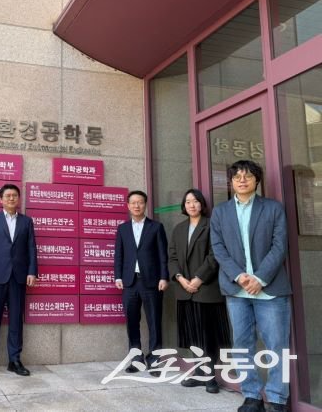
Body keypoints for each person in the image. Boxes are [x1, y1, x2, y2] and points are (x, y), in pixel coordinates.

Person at [210, 160, 291, 412]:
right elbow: (218, 248)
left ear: (257, 180)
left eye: (247, 176)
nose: (242, 180)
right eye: (237, 177)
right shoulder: (220, 212)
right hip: (237, 289)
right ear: (231, 182)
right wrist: (239, 276)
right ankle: (252, 395)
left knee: (277, 345)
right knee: (242, 344)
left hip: (270, 288)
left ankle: (277, 398)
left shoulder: (273, 208)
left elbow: (279, 246)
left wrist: (260, 278)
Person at [168, 188, 231, 394]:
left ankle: (210, 376)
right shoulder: (179, 229)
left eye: (195, 201)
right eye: (188, 202)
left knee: (208, 335)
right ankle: (198, 372)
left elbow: (215, 256)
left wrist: (198, 279)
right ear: (183, 206)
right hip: (184, 289)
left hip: (206, 289)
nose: (191, 205)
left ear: (202, 204)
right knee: (193, 335)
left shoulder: (212, 225)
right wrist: (180, 278)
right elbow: (172, 257)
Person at [0, 184, 37, 378]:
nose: (11, 198)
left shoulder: (26, 221)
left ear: (18, 199)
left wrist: (32, 271)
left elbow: (31, 248)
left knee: (16, 320)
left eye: (15, 195)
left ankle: (14, 360)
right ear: (1, 199)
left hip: (18, 277)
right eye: (7, 196)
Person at [114, 190, 168, 374]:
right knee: (132, 322)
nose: (137, 206)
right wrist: (118, 276)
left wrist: (164, 277)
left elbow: (162, 255)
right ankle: (136, 359)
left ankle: (154, 360)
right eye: (133, 203)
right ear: (128, 206)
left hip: (151, 282)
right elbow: (119, 255)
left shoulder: (156, 227)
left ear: (145, 204)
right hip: (129, 283)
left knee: (154, 322)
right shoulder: (122, 229)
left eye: (140, 202)